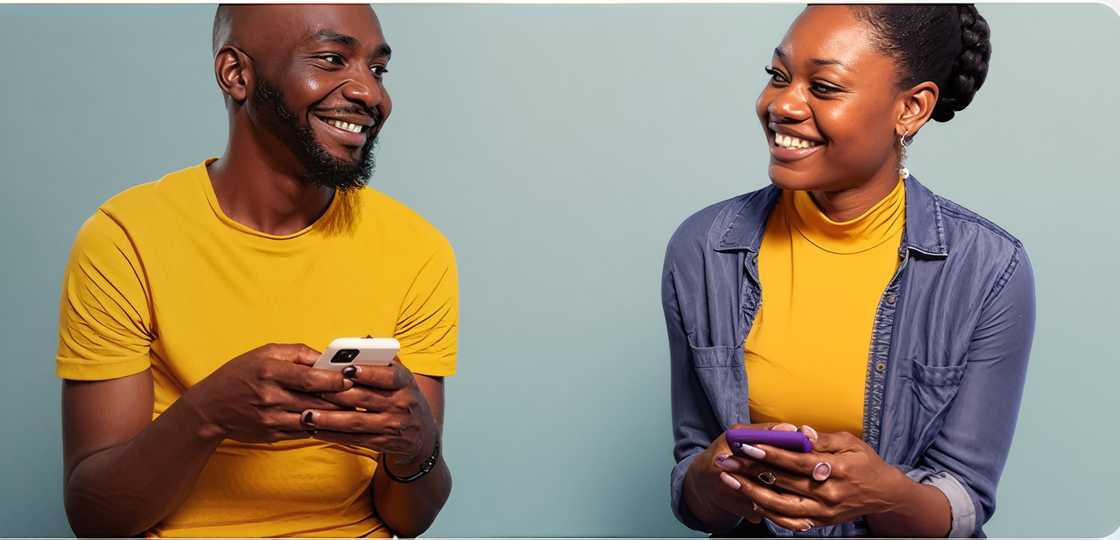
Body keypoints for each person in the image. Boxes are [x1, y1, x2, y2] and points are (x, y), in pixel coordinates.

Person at [56, 5, 456, 537]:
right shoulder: (122, 239)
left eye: (377, 70)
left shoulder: (417, 250)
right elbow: (96, 517)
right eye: (332, 59)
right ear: (236, 74)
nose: (371, 94)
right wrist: (209, 414)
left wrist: (417, 447)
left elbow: (410, 520)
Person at [662, 5, 1033, 537]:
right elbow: (691, 484)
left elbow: (963, 500)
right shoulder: (702, 250)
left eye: (825, 87)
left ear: (911, 108)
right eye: (778, 76)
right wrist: (714, 477)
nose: (782, 104)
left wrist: (884, 494)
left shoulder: (989, 269)